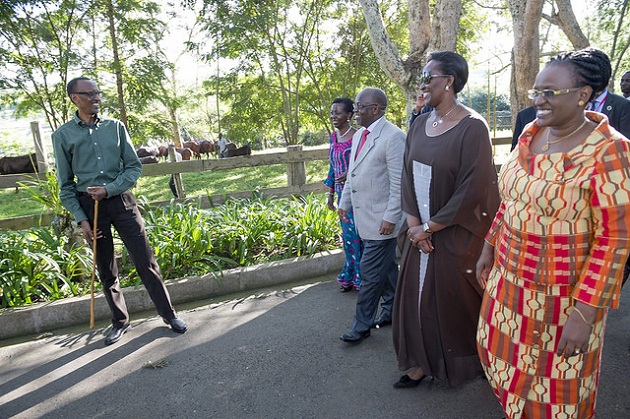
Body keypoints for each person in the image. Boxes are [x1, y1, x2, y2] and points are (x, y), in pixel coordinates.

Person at [476, 48, 630, 418]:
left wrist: (584, 314)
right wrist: (488, 245)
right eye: (536, 92)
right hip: (508, 285)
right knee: (504, 367)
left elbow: (616, 240)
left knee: (556, 391)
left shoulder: (610, 150)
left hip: (563, 301)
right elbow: (512, 199)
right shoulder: (531, 133)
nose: (539, 101)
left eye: (550, 93)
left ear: (583, 95)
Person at [392, 51, 500, 389]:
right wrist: (413, 226)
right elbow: (407, 176)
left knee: (454, 305)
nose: (423, 84)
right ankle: (420, 364)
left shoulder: (473, 128)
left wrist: (430, 227)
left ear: (449, 82)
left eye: (428, 76)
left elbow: (472, 189)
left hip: (455, 234)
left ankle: (473, 360)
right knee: (415, 300)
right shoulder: (421, 122)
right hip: (417, 232)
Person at [52, 76, 188, 346]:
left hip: (122, 201)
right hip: (91, 208)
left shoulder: (115, 127)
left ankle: (169, 315)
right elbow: (66, 186)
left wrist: (110, 189)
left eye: (97, 93)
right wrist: (82, 219)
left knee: (145, 261)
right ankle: (120, 321)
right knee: (106, 268)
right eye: (89, 94)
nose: (96, 98)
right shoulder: (63, 136)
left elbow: (133, 167)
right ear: (74, 98)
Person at [338, 87, 405, 343]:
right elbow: (353, 172)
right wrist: (345, 203)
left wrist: (391, 217)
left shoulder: (393, 137)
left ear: (376, 109)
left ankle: (361, 325)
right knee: (386, 269)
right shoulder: (359, 136)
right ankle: (392, 310)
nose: (355, 111)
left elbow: (399, 183)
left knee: (369, 274)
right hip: (364, 219)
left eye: (360, 106)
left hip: (382, 221)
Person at [323, 98, 362, 292]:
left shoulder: (358, 136)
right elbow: (332, 167)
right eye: (332, 112)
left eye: (338, 112)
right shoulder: (333, 137)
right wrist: (330, 194)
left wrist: (352, 173)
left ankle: (363, 279)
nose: (333, 116)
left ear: (349, 115)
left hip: (358, 194)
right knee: (348, 238)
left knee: (359, 237)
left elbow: (366, 164)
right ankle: (351, 275)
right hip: (341, 195)